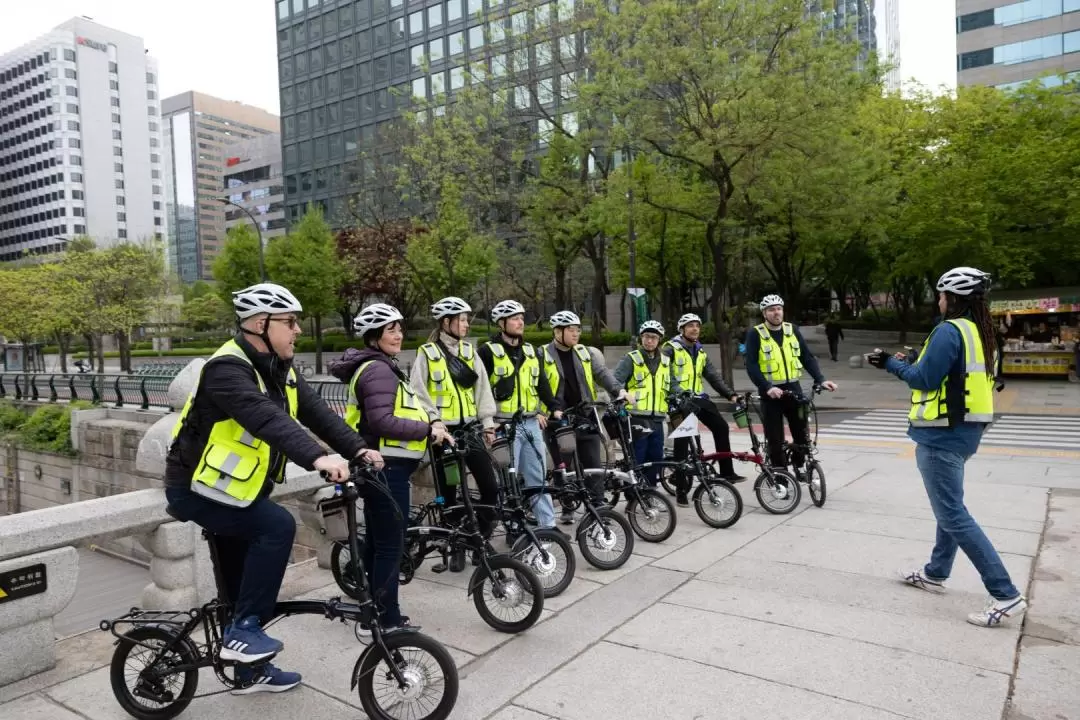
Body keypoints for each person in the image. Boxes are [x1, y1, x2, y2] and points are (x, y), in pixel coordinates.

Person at [164, 283, 384, 694]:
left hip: (235, 490)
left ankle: (246, 667)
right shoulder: (226, 369)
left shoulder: (282, 370)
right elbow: (265, 418)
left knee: (242, 583)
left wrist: (358, 449)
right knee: (277, 527)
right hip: (195, 488)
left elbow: (319, 414)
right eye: (290, 322)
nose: (298, 330)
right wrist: (318, 458)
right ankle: (244, 630)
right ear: (260, 324)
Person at [868, 266, 1027, 628]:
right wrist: (913, 360)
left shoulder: (949, 331)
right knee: (950, 506)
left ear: (953, 298)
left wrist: (890, 363)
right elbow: (952, 374)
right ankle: (936, 573)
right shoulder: (981, 333)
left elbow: (924, 379)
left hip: (941, 434)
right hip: (967, 431)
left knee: (953, 514)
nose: (938, 301)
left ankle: (1005, 593)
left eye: (941, 295)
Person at [329, 303, 453, 630]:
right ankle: (388, 620)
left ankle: (374, 611)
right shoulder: (378, 370)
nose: (398, 335)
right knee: (389, 547)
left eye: (399, 328)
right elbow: (383, 422)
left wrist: (431, 425)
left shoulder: (380, 367)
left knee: (376, 543)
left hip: (383, 469)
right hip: (386, 470)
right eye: (390, 330)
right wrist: (427, 431)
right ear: (374, 337)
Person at [409, 296, 499, 570]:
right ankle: (456, 545)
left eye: (466, 320)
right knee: (449, 495)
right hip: (443, 435)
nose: (465, 325)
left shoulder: (471, 353)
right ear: (446, 322)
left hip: (470, 431)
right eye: (461, 320)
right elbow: (417, 393)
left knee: (491, 489)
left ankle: (479, 540)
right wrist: (434, 422)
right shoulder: (427, 354)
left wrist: (487, 423)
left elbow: (482, 389)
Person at [477, 299, 565, 536]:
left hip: (529, 422)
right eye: (514, 319)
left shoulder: (531, 350)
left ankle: (548, 526)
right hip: (503, 424)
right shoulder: (487, 351)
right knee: (507, 479)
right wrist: (487, 422)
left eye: (521, 318)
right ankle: (513, 525)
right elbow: (480, 388)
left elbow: (542, 384)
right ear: (501, 323)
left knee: (538, 475)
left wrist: (554, 407)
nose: (520, 322)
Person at [541, 310, 628, 524]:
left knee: (593, 462)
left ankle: (598, 505)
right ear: (557, 331)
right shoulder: (541, 354)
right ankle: (568, 504)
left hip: (585, 414)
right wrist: (539, 411)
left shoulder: (583, 352)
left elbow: (602, 373)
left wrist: (619, 391)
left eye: (577, 330)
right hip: (558, 419)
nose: (576, 334)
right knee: (564, 465)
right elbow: (534, 384)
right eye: (571, 330)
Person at [744, 296, 837, 474]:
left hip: (794, 389)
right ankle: (780, 474)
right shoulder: (755, 334)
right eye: (771, 309)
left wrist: (821, 379)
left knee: (802, 433)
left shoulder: (791, 330)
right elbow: (752, 365)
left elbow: (807, 357)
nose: (776, 312)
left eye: (778, 308)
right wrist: (767, 387)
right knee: (775, 438)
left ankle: (799, 464)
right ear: (764, 313)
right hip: (770, 393)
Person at [663, 313, 745, 507]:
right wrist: (679, 395)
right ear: (681, 330)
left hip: (697, 399)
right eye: (690, 326)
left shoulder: (700, 351)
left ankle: (726, 473)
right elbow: (665, 376)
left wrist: (731, 395)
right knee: (684, 444)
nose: (695, 329)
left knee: (721, 427)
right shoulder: (669, 350)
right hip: (677, 402)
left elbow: (713, 377)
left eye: (697, 326)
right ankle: (681, 490)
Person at [613, 320, 679, 488]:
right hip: (636, 418)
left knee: (656, 458)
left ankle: (650, 492)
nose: (649, 341)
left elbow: (672, 384)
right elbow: (615, 382)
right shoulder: (631, 358)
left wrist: (682, 393)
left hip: (658, 418)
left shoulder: (665, 360)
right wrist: (622, 395)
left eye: (654, 337)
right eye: (646, 337)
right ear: (641, 338)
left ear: (660, 340)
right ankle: (633, 494)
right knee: (638, 459)